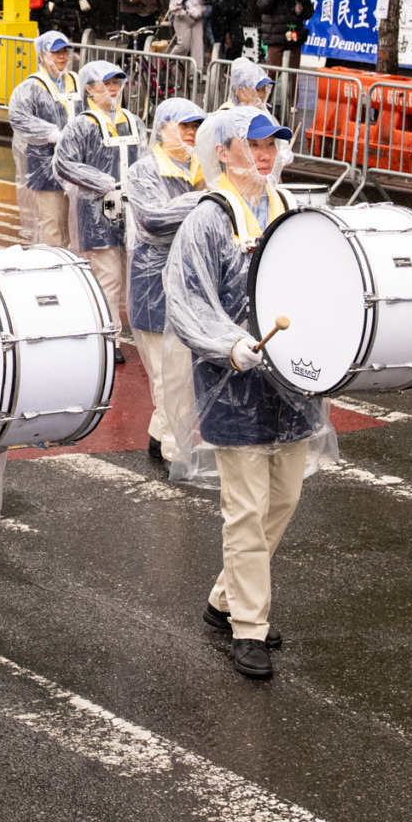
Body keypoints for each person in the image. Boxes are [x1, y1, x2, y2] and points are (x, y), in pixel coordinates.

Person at [163, 106, 328, 679]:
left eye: (271, 144)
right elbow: (188, 299)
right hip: (232, 385)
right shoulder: (208, 218)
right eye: (253, 144)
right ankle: (249, 625)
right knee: (247, 509)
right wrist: (228, 344)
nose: (265, 153)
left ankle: (225, 597)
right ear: (223, 151)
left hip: (295, 383)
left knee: (283, 500)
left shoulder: (292, 209)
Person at [122, 98, 206, 465]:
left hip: (192, 282)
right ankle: (174, 448)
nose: (191, 133)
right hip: (154, 286)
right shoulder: (144, 171)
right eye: (184, 125)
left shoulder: (204, 168)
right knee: (170, 376)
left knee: (181, 373)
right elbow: (154, 221)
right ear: (163, 128)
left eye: (196, 126)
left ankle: (160, 436)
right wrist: (206, 198)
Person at [53, 59, 145, 356]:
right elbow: (63, 164)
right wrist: (101, 181)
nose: (113, 88)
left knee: (128, 270)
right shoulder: (82, 125)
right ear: (90, 89)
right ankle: (109, 340)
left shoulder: (132, 121)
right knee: (108, 275)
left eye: (116, 82)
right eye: (106, 83)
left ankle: (114, 333)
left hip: (129, 205)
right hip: (98, 207)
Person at [8, 30, 81, 247]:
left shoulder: (76, 82)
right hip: (45, 166)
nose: (62, 56)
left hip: (76, 165)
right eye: (55, 52)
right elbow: (18, 116)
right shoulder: (32, 86)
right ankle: (50, 263)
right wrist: (49, 133)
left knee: (72, 225)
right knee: (52, 224)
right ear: (41, 55)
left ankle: (68, 264)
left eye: (65, 51)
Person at [253, 0, 314, 69]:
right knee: (273, 71)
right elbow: (262, 7)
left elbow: (309, 12)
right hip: (275, 38)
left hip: (295, 38)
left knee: (293, 72)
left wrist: (301, 10)